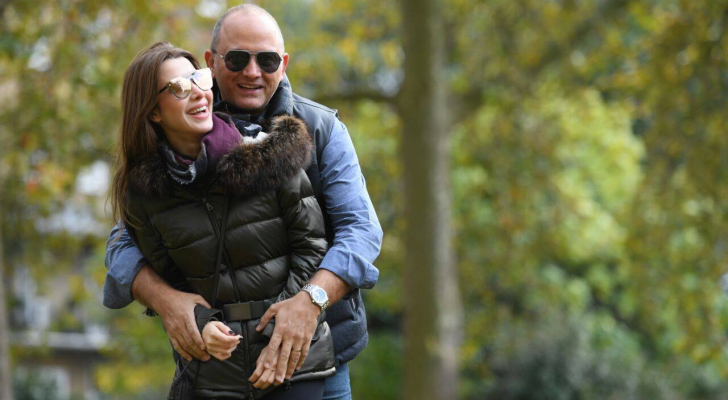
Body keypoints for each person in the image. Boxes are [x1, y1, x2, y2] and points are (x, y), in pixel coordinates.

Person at [104, 5, 383, 400]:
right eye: (237, 59)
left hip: (320, 358)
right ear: (211, 61)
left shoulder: (320, 128)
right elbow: (123, 243)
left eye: (267, 60)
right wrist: (167, 302)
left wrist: (309, 301)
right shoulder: (181, 129)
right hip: (219, 368)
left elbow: (361, 232)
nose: (252, 71)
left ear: (283, 64)